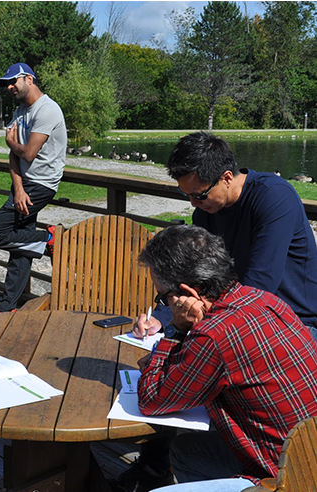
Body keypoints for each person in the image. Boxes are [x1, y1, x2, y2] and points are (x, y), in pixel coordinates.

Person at [117, 225, 317, 491]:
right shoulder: (267, 300)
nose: (165, 305)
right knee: (185, 449)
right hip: (308, 451)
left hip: (285, 476)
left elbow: (152, 401)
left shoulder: (213, 334)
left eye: (163, 297)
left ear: (187, 293)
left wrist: (175, 330)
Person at [155, 132, 317, 333]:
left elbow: (260, 284)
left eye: (200, 195)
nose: (193, 203)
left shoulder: (274, 197)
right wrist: (161, 317)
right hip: (239, 314)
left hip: (295, 321)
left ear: (227, 177)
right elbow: (194, 273)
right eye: (186, 194)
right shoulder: (205, 213)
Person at [0, 62, 67, 311]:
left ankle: (49, 237)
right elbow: (14, 157)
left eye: (12, 81)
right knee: (21, 248)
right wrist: (18, 188)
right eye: (6, 84)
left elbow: (26, 153)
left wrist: (10, 142)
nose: (9, 87)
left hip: (41, 185)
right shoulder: (20, 111)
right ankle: (8, 307)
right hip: (25, 186)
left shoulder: (47, 110)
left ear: (29, 79)